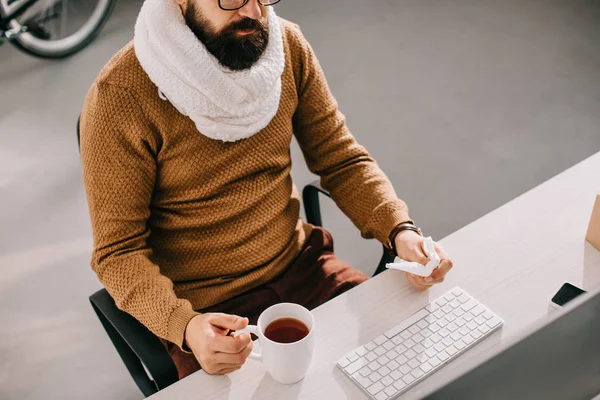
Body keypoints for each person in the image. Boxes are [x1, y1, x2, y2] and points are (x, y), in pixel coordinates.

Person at [80, 0, 454, 380]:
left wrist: (400, 231)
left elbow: (341, 159)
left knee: (405, 369)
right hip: (206, 311)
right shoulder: (120, 95)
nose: (255, 12)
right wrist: (187, 328)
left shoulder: (286, 45)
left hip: (305, 267)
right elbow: (117, 252)